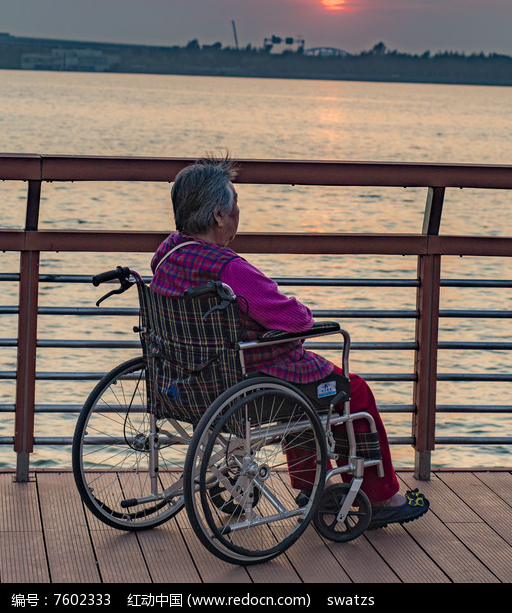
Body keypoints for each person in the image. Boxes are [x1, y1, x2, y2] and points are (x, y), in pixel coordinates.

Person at [150, 155, 429, 529]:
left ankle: (310, 486)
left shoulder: (168, 255)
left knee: (301, 393)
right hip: (242, 382)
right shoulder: (230, 269)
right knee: (351, 391)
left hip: (187, 380)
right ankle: (380, 497)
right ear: (218, 215)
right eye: (235, 203)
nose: (238, 211)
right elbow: (297, 320)